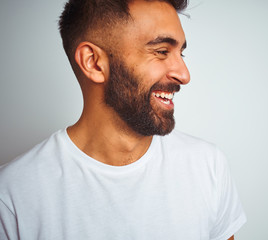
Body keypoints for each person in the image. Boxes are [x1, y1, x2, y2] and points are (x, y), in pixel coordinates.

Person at [0, 0, 246, 239]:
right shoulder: (11, 196)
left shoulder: (207, 166)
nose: (184, 74)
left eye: (181, 53)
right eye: (161, 52)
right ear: (94, 63)